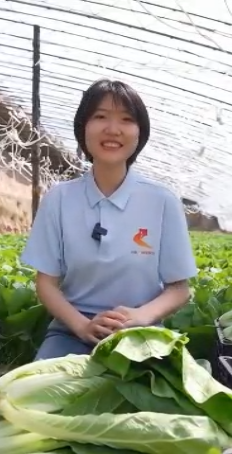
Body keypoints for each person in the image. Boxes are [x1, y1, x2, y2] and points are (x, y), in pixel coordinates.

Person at [20, 79, 198, 361]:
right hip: (71, 330)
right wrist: (82, 326)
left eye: (126, 120)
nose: (113, 129)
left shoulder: (162, 201)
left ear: (140, 133)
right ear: (83, 127)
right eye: (100, 117)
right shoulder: (59, 198)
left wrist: (140, 316)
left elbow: (179, 289)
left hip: (142, 334)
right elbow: (46, 284)